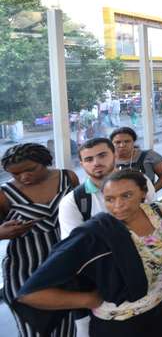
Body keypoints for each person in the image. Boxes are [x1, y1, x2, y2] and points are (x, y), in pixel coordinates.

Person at [16, 169, 162, 337]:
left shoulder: (158, 212)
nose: (118, 205)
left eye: (127, 195)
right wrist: (87, 300)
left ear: (143, 192)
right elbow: (30, 294)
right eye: (110, 199)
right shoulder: (92, 236)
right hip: (122, 324)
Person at [1, 144, 79, 337]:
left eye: (30, 170)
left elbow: (82, 210)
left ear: (45, 161)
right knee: (34, 329)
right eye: (15, 173)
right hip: (25, 269)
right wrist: (2, 233)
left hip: (66, 265)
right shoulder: (4, 194)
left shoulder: (67, 178)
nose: (23, 177)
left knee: (67, 326)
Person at [110, 127, 162, 192]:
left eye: (127, 141)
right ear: (111, 143)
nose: (122, 145)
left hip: (146, 201)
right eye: (117, 142)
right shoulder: (108, 160)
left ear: (133, 142)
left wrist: (150, 192)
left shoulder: (149, 156)